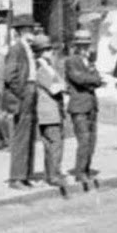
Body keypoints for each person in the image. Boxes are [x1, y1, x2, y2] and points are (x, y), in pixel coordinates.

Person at [3, 16, 39, 190]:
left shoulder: (27, 49)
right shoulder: (17, 49)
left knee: (29, 136)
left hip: (30, 92)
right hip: (24, 95)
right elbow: (10, 76)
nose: (32, 33)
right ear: (22, 31)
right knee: (21, 136)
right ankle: (16, 177)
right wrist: (23, 92)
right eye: (30, 30)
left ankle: (25, 175)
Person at [64, 29, 102, 184]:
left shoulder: (89, 62)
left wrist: (92, 79)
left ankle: (86, 169)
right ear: (76, 46)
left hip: (91, 105)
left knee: (92, 141)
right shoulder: (71, 61)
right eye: (82, 45)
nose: (85, 48)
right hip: (79, 106)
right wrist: (93, 79)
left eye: (87, 45)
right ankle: (80, 172)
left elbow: (98, 79)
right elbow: (78, 79)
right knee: (84, 140)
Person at [31, 34, 67, 189]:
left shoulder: (48, 66)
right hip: (48, 111)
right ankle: (53, 175)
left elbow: (61, 82)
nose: (51, 52)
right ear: (41, 51)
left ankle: (51, 173)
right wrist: (61, 85)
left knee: (51, 144)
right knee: (55, 144)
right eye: (48, 49)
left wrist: (61, 84)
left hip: (52, 110)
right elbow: (55, 88)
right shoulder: (40, 68)